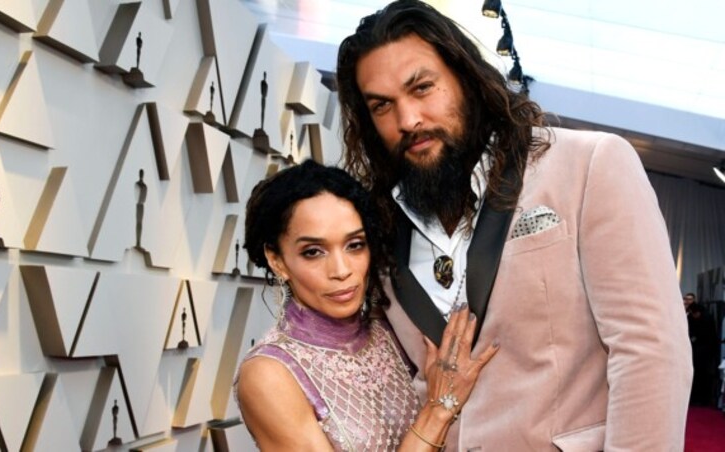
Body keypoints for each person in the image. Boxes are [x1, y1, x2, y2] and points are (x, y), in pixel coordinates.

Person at [335, 1, 693, 450]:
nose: (408, 120)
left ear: (465, 78)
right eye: (382, 106)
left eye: (423, 88)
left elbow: (651, 353)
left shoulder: (588, 165)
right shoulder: (379, 228)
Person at [234, 160, 498, 451]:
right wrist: (438, 411)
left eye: (355, 245)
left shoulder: (390, 328)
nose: (341, 270)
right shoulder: (268, 374)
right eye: (313, 252)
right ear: (277, 260)